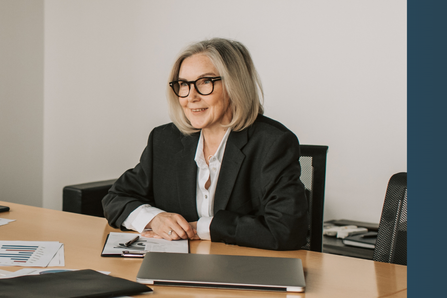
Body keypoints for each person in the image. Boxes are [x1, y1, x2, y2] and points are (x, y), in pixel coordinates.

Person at [101, 38, 308, 251]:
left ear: (234, 85)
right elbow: (115, 198)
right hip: (177, 268)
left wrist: (203, 228)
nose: (191, 97)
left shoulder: (273, 143)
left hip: (241, 270)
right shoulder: (164, 140)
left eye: (205, 82)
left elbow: (286, 230)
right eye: (183, 84)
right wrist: (155, 219)